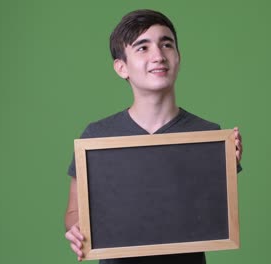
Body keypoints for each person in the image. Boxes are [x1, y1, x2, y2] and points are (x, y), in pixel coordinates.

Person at [64, 9, 243, 264]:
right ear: (121, 67)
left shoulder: (209, 137)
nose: (158, 56)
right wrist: (77, 228)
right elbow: (73, 211)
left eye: (166, 44)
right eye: (142, 48)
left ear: (178, 57)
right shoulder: (97, 137)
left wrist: (224, 165)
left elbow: (210, 216)